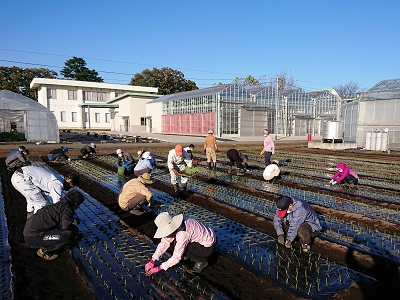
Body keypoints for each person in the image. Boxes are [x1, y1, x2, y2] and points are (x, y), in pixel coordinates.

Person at [145, 212, 216, 275]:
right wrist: (152, 260)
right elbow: (165, 242)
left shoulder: (183, 234)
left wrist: (159, 268)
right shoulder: (180, 224)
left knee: (180, 247)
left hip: (207, 247)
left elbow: (177, 257)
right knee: (178, 244)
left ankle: (201, 262)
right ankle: (191, 255)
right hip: (207, 236)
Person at [23, 190, 85, 260]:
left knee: (71, 230)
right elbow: (65, 227)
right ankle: (44, 251)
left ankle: (42, 242)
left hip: (29, 232)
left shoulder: (61, 203)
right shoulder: (67, 208)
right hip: (32, 236)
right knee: (68, 235)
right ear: (76, 203)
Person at [11, 165, 79, 217]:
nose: (70, 188)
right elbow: (57, 203)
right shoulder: (58, 183)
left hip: (17, 176)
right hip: (23, 179)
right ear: (69, 181)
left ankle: (29, 223)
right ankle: (36, 227)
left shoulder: (57, 177)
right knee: (42, 203)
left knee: (32, 201)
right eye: (71, 185)